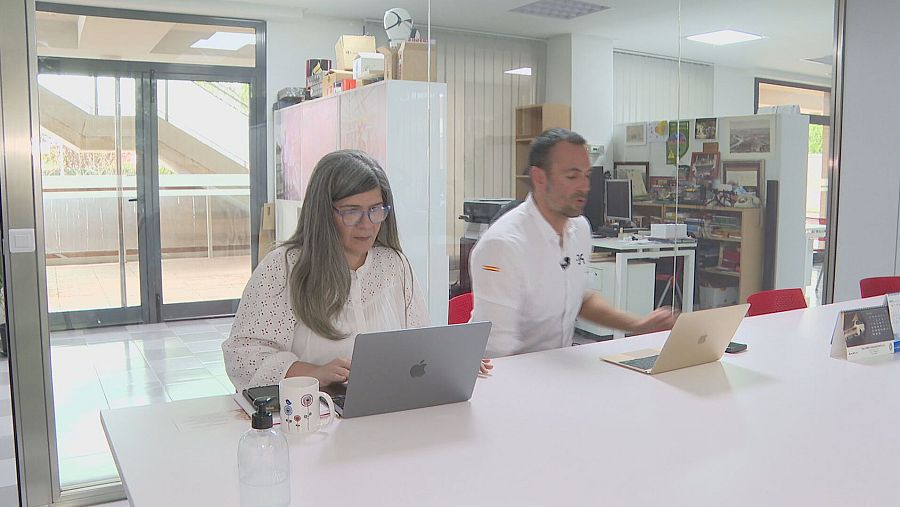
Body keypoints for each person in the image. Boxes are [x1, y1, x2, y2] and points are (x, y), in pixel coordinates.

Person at [223, 150, 430, 391]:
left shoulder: (394, 264)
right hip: (314, 411)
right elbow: (243, 354)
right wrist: (313, 373)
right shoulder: (284, 267)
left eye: (376, 210)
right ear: (323, 212)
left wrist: (445, 361)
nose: (367, 224)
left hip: (385, 405)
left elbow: (419, 341)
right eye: (352, 211)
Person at [470, 128, 677, 358]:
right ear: (540, 178)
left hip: (561, 367)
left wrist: (640, 325)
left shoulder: (579, 229)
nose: (584, 187)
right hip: (514, 375)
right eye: (572, 176)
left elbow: (580, 298)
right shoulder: (503, 246)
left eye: (587, 175)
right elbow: (497, 353)